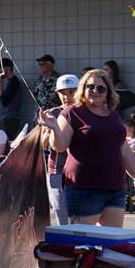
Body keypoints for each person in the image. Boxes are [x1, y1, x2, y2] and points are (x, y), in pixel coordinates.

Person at [38, 68, 135, 227]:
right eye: (90, 87)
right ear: (83, 89)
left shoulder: (113, 113)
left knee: (111, 243)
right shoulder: (72, 112)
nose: (95, 91)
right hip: (84, 188)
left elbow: (123, 149)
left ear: (108, 91)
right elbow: (60, 146)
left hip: (115, 187)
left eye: (101, 88)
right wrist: (54, 128)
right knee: (83, 245)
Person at [39, 74, 79, 225]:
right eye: (62, 92)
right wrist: (50, 130)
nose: (66, 96)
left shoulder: (85, 113)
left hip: (80, 172)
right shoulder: (52, 113)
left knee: (80, 218)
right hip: (56, 170)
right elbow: (42, 145)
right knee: (62, 217)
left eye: (71, 91)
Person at [0, 58, 24, 137]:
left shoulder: (14, 82)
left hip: (9, 119)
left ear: (7, 68)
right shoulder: (8, 81)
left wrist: (0, 86)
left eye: (0, 68)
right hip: (4, 118)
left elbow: (5, 101)